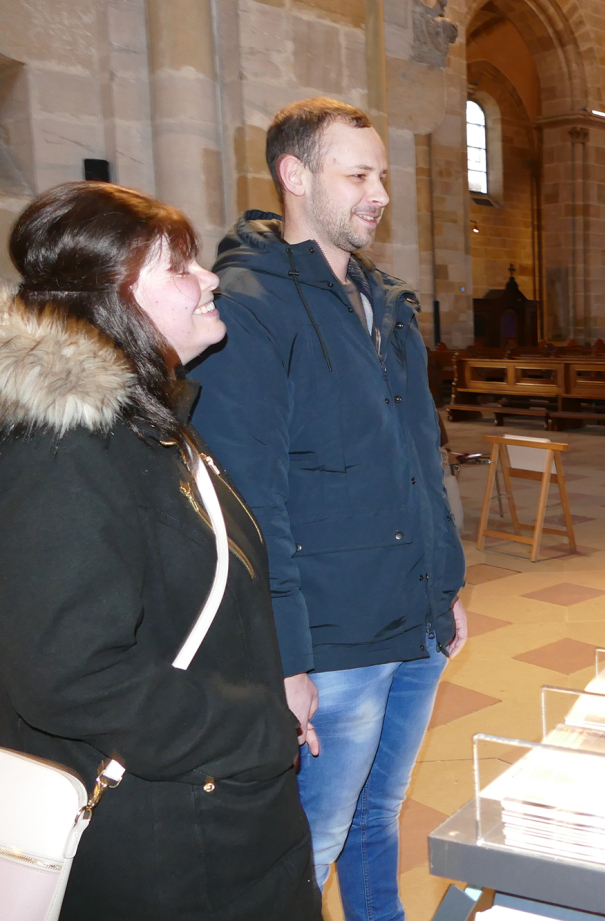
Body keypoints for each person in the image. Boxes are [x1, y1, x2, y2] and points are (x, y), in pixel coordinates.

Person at [0, 182, 318, 919]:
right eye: (179, 266)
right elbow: (68, 672)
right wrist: (253, 724)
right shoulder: (64, 449)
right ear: (115, 297)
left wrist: (273, 687)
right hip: (165, 836)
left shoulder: (149, 418)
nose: (209, 278)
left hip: (210, 797)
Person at [189, 97, 467, 919]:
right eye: (358, 174)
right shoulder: (248, 304)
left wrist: (445, 584)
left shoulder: (386, 304)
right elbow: (248, 499)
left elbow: (422, 457)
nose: (378, 191)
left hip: (413, 617)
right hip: (334, 639)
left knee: (380, 817)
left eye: (381, 173)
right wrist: (286, 656)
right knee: (312, 837)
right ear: (295, 175)